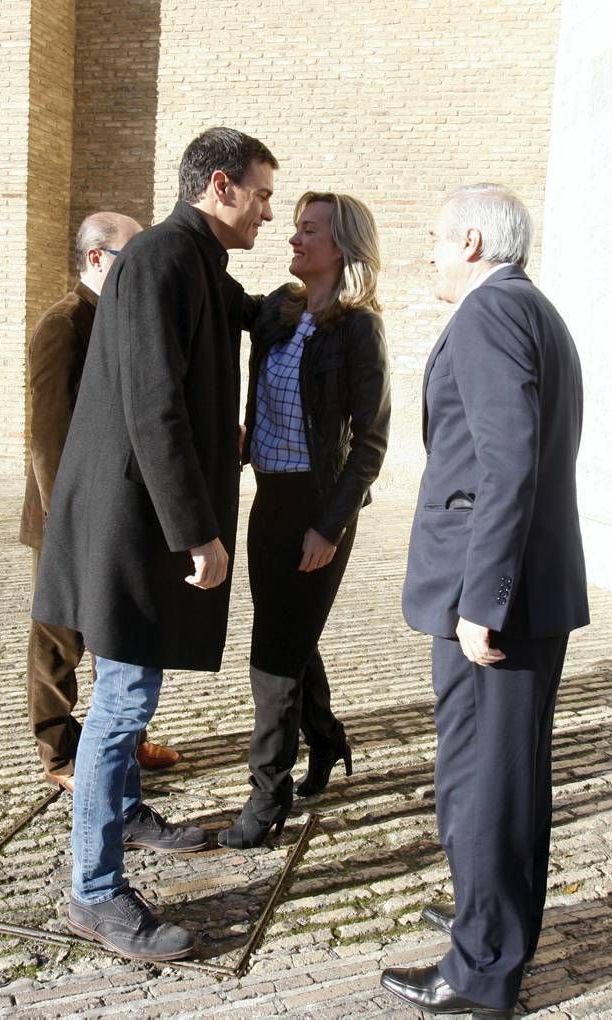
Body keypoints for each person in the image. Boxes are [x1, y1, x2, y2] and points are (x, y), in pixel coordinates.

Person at [31, 127, 278, 961]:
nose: (271, 213)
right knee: (124, 702)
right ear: (221, 185)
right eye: (264, 194)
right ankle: (94, 891)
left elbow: (241, 312)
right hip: (136, 524)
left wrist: (310, 295)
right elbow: (153, 409)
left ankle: (126, 812)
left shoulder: (193, 261)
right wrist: (197, 532)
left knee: (129, 687)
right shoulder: (164, 260)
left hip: (141, 521)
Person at [381, 184, 589, 1017]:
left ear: (469, 240)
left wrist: (483, 600)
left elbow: (510, 463)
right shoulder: (530, 308)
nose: (429, 252)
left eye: (435, 238)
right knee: (497, 775)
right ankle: (486, 916)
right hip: (514, 591)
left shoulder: (488, 313)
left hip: (496, 601)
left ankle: (481, 970)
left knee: (488, 779)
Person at [218, 192, 390, 849]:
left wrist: (331, 524)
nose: (294, 240)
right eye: (293, 227)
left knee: (273, 657)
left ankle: (268, 798)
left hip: (319, 511)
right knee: (289, 635)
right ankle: (327, 737)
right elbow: (219, 295)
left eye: (308, 231)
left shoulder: (358, 329)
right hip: (269, 502)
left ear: (340, 246)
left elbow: (370, 442)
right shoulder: (278, 310)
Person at [19, 212, 181, 793]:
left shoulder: (120, 319)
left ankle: (127, 738)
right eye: (127, 259)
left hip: (111, 513)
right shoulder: (64, 324)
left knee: (116, 631)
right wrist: (66, 517)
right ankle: (59, 752)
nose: (136, 272)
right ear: (95, 259)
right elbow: (48, 434)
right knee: (59, 636)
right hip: (67, 513)